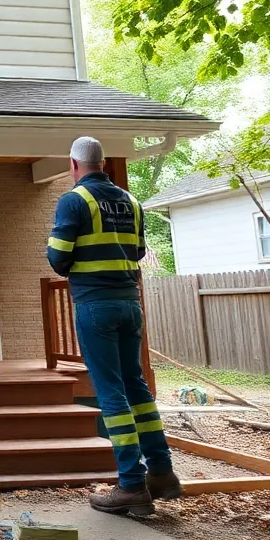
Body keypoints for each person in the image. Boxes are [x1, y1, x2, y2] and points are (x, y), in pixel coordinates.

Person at [47, 136, 181, 515]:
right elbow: (137, 252)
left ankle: (131, 484)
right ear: (102, 163)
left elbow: (58, 257)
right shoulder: (130, 201)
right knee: (136, 386)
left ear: (73, 165)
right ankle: (162, 472)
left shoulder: (75, 200)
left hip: (95, 305)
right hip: (129, 303)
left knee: (111, 394)